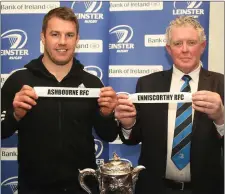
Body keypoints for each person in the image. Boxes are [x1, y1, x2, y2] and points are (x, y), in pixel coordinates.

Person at [1, 7, 119, 194]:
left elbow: (109, 135)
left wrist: (106, 114)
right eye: (55, 34)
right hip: (33, 188)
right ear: (43, 37)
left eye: (69, 35)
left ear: (77, 39)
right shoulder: (19, 81)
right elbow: (2, 131)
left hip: (83, 188)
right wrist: (15, 115)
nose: (62, 42)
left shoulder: (91, 83)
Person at [115, 16, 224, 194]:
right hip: (155, 188)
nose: (185, 50)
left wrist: (221, 118)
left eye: (191, 42)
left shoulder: (221, 84)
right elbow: (133, 138)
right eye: (177, 43)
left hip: (206, 188)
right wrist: (128, 124)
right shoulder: (147, 85)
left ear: (202, 46)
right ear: (168, 49)